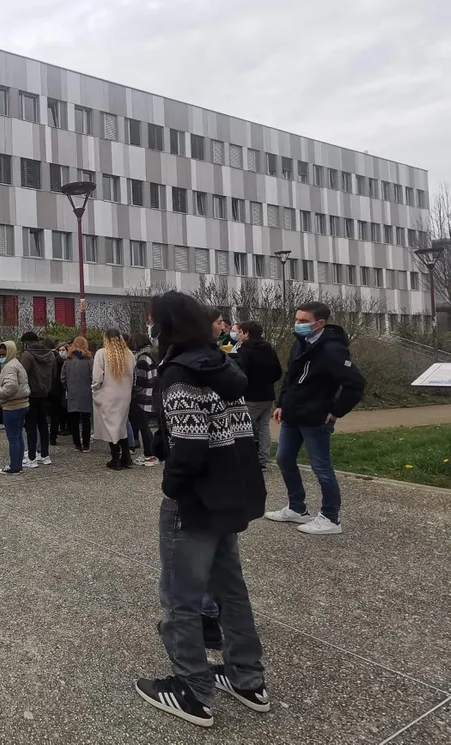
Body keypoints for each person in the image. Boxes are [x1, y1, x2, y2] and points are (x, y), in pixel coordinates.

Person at [135, 290, 269, 728]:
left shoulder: (179, 371)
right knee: (230, 589)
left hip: (194, 498)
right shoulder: (222, 365)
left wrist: (171, 485)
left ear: (167, 324)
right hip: (228, 490)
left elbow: (190, 447)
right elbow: (224, 428)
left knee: (181, 597)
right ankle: (247, 677)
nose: (150, 327)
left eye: (152, 320)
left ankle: (191, 690)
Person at [267, 301, 366, 535]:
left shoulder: (332, 349)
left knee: (321, 467)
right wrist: (282, 404)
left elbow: (355, 383)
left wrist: (336, 410)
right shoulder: (300, 343)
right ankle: (297, 508)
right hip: (293, 414)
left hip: (316, 417)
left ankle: (331, 517)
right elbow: (291, 378)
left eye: (304, 321)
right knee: (284, 459)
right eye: (297, 319)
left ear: (320, 323)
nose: (298, 324)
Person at [233, 321, 283, 473]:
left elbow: (240, 373)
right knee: (264, 428)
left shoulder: (245, 350)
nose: (238, 335)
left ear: (247, 333)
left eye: (240, 332)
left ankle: (244, 459)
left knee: (242, 428)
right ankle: (263, 460)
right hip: (267, 395)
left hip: (251, 396)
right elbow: (278, 372)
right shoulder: (269, 349)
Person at [93, 328, 134, 470]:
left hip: (108, 394)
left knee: (111, 427)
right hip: (125, 395)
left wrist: (95, 389)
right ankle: (126, 457)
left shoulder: (102, 353)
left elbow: (97, 377)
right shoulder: (129, 354)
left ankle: (115, 459)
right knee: (121, 425)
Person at [19, 332, 56, 467]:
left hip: (31, 394)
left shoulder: (27, 355)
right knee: (43, 424)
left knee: (30, 426)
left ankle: (31, 457)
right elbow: (54, 374)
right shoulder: (50, 355)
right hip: (45, 393)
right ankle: (44, 455)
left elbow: (22, 374)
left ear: (26, 342)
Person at [0, 341, 30, 475]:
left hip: (12, 406)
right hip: (22, 404)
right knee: (18, 436)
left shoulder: (9, 367)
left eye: (3, 354)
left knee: (13, 437)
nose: (1, 357)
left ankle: (14, 467)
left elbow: (11, 386)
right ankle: (18, 465)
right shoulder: (17, 363)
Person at [129, 333, 159, 468]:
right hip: (151, 395)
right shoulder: (150, 356)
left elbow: (140, 381)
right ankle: (152, 454)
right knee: (145, 427)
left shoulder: (142, 359)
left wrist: (133, 390)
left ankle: (149, 455)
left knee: (144, 427)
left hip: (143, 397)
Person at [62, 337, 93, 452]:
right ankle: (86, 445)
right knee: (86, 420)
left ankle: (77, 444)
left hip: (72, 392)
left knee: (74, 420)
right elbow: (93, 376)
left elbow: (63, 377)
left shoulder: (68, 359)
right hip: (86, 392)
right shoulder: (89, 359)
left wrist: (68, 387)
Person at [48, 340, 68, 445]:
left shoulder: (47, 359)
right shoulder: (60, 361)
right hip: (59, 389)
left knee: (51, 415)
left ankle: (51, 437)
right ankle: (53, 436)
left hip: (48, 389)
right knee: (57, 414)